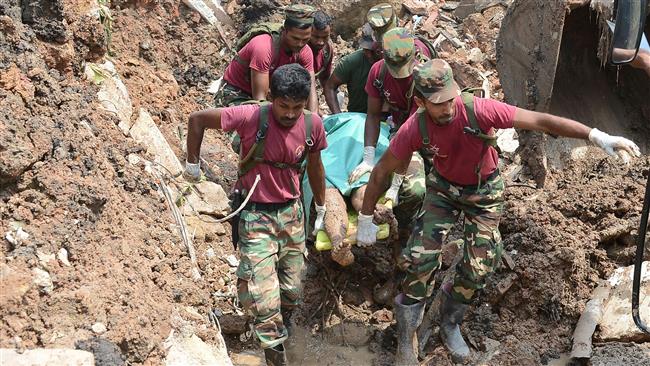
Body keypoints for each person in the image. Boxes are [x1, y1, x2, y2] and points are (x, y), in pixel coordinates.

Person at [355, 59, 641, 364]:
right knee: (420, 259)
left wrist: (596, 136)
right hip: (443, 190)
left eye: (450, 98)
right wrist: (366, 217)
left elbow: (541, 121)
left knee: (479, 267)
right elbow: (381, 171)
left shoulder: (480, 110)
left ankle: (449, 323)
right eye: (438, 103)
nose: (448, 108)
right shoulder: (416, 126)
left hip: (484, 192)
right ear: (421, 102)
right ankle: (405, 338)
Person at [184, 64, 327, 366]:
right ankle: (275, 356)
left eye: (297, 108)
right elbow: (197, 120)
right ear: (272, 97)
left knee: (293, 290)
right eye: (283, 106)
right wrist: (192, 166)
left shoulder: (313, 124)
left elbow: (315, 166)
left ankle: (281, 331)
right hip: (255, 214)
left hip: (292, 213)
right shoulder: (251, 116)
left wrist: (322, 208)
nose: (289, 114)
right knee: (264, 299)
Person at [349, 27, 427, 251]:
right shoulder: (378, 72)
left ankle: (404, 232)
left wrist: (395, 183)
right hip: (399, 128)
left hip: (424, 133)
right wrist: (368, 157)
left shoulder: (423, 78)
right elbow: (372, 115)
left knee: (415, 190)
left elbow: (411, 135)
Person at [216, 5, 319, 112]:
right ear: (284, 31)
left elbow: (311, 89)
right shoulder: (264, 47)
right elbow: (260, 100)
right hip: (236, 93)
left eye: (305, 39)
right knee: (256, 123)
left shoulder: (305, 51)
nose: (300, 44)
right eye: (295, 38)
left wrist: (313, 121)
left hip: (270, 96)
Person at [324, 23, 382, 114]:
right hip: (358, 117)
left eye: (373, 51)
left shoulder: (393, 64)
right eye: (366, 50)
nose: (369, 55)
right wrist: (338, 115)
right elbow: (330, 87)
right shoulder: (352, 62)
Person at [308, 10, 334, 87]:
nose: (320, 42)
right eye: (316, 37)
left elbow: (325, 78)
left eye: (325, 37)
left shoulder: (327, 50)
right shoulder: (299, 49)